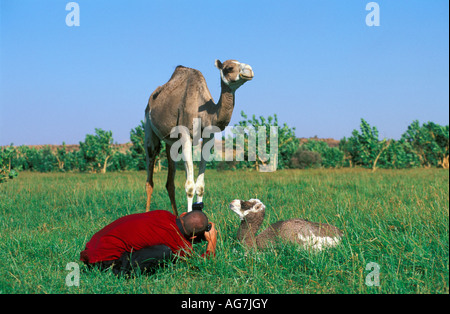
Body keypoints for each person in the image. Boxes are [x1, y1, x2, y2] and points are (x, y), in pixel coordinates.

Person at [79, 209, 217, 275]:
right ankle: (117, 272)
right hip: (102, 262)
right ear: (193, 237)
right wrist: (211, 241)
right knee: (165, 252)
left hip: (94, 245)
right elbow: (202, 265)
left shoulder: (163, 214)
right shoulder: (178, 244)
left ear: (182, 215)